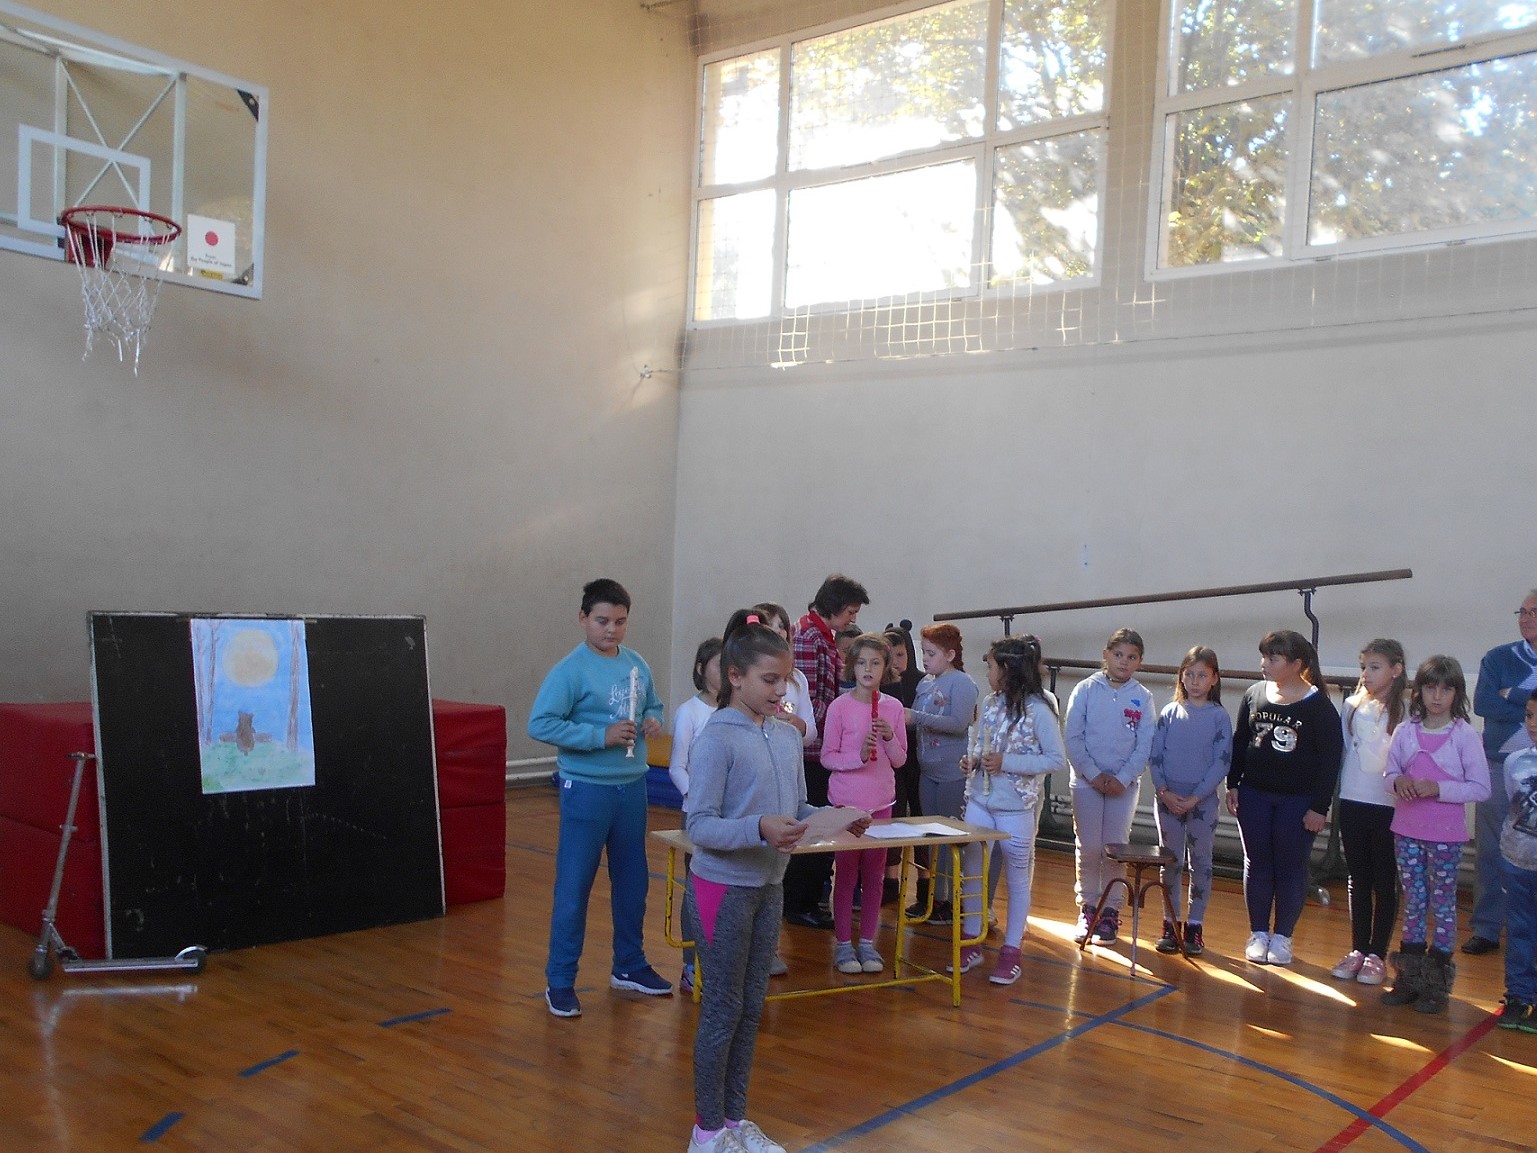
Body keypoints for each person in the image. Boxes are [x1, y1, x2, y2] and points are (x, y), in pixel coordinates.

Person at [684, 614, 869, 1153]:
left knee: (750, 1006)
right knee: (722, 1008)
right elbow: (700, 825)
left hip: (769, 887)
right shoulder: (716, 739)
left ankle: (735, 1120)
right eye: (769, 680)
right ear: (734, 676)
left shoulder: (785, 737)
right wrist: (758, 828)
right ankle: (706, 1132)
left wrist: (835, 816)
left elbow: (795, 808)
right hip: (722, 888)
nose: (780, 690)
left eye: (784, 680)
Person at [529, 578, 671, 1018]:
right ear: (583, 619)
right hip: (587, 789)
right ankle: (560, 981)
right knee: (574, 886)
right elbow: (541, 723)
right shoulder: (570, 670)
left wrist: (652, 719)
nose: (612, 630)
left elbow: (653, 705)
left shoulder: (636, 663)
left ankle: (629, 964)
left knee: (633, 883)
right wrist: (599, 736)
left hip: (632, 788)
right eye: (602, 621)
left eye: (620, 621)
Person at [1379, 656, 1490, 1014]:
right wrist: (1398, 781)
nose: (1437, 696)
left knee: (1442, 904)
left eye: (1446, 689)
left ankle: (1437, 984)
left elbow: (1480, 787)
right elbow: (1389, 775)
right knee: (1414, 902)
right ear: (1419, 691)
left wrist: (1438, 788)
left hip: (1446, 835)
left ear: (1457, 693)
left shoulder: (1464, 735)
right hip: (1407, 831)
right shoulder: (1405, 731)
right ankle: (1409, 977)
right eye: (1430, 688)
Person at [1226, 630, 1343, 967]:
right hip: (1255, 795)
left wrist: (1319, 807)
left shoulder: (1319, 706)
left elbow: (1330, 761)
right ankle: (1258, 933)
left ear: (1296, 664)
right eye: (1264, 656)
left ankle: (1283, 937)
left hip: (1297, 801)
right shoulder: (1254, 695)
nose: (1264, 663)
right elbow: (1241, 741)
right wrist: (1233, 783)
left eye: (1273, 658)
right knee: (1257, 863)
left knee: (1291, 866)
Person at [953, 635, 1065, 984]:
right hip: (980, 801)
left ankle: (1012, 950)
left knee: (1016, 879)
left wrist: (1008, 762)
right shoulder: (990, 702)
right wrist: (972, 761)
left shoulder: (1039, 710)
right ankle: (971, 940)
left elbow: (1055, 759)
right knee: (973, 870)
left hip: (1015, 808)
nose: (987, 673)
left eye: (990, 666)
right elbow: (979, 741)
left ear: (1007, 670)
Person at [783, 574, 870, 929]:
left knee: (822, 823)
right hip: (810, 751)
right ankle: (799, 901)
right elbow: (809, 703)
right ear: (833, 607)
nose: (853, 619)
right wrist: (841, 721)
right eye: (850, 611)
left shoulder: (822, 636)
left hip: (821, 746)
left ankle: (807, 898)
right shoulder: (808, 637)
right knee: (811, 826)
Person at [821, 632, 907, 973]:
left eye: (875, 663)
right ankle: (843, 944)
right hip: (846, 804)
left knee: (874, 876)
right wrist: (856, 757)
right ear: (852, 667)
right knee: (846, 874)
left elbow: (900, 760)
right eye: (861, 663)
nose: (868, 669)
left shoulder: (893, 707)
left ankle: (868, 943)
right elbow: (827, 757)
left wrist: (888, 737)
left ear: (886, 668)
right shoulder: (839, 707)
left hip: (881, 803)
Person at [1064, 628, 1155, 945]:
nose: (1123, 661)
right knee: (1089, 847)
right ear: (1106, 655)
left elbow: (1144, 744)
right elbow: (1073, 737)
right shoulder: (1085, 690)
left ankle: (1110, 911)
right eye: (1118, 655)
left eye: (1131, 657)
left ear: (1139, 662)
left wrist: (1124, 777)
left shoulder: (1143, 697)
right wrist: (1093, 774)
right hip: (1086, 783)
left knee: (1115, 849)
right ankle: (1088, 907)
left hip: (1122, 787)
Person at [1330, 639, 1407, 986]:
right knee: (1358, 876)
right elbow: (1349, 751)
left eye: (1375, 667)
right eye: (1364, 667)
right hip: (1353, 800)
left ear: (1396, 670)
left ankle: (1377, 952)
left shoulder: (1406, 713)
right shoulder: (1351, 707)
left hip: (1387, 805)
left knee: (1384, 878)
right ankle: (1358, 948)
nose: (1366, 674)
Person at [1148, 645, 1232, 957]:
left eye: (1202, 675)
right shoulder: (1169, 713)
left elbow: (1221, 762)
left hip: (1202, 803)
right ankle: (1170, 923)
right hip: (1168, 800)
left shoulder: (1219, 717)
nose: (1195, 681)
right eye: (1190, 675)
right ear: (1182, 677)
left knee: (1201, 862)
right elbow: (1155, 756)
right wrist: (1164, 792)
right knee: (1171, 862)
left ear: (1214, 679)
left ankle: (1195, 925)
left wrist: (1196, 797)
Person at [1467, 590, 1537, 955]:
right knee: (1491, 849)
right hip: (1497, 765)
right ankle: (1487, 927)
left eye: (1534, 612)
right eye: (1521, 611)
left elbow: (1501, 702)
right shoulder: (1498, 658)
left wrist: (1512, 694)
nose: (1525, 618)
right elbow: (1483, 703)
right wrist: (1528, 703)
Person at [908, 623, 979, 925]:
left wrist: (916, 717)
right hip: (928, 771)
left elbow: (958, 723)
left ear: (950, 655)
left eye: (931, 653)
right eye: (923, 652)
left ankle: (952, 899)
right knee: (932, 837)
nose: (925, 659)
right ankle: (936, 898)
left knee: (950, 839)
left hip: (952, 773)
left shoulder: (961, 683)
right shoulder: (925, 683)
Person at [670, 636, 723, 993]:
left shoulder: (734, 713)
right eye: (719, 664)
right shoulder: (689, 712)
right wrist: (697, 797)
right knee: (696, 890)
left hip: (730, 817)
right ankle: (692, 965)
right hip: (697, 815)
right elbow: (678, 766)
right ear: (702, 669)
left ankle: (721, 965)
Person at [1496, 696, 1537, 1031]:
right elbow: (1514, 803)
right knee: (1519, 929)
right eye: (1529, 715)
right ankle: (1519, 995)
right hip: (1515, 859)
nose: (1533, 724)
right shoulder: (1515, 762)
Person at [883, 622, 922, 904]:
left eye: (901, 654)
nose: (896, 661)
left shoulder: (922, 682)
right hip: (891, 762)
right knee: (893, 818)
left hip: (919, 761)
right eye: (890, 656)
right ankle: (890, 880)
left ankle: (926, 882)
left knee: (921, 817)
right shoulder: (881, 685)